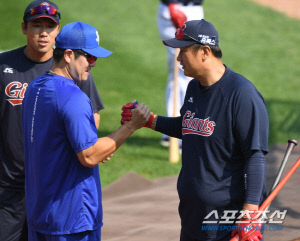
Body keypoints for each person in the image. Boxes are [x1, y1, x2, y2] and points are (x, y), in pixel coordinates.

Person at [122, 20, 269, 241]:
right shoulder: (194, 87)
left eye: (183, 51)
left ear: (205, 52)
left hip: (226, 223)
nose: (178, 58)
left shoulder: (241, 94)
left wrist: (249, 213)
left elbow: (255, 155)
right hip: (193, 217)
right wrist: (150, 121)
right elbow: (190, 127)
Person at [22, 21, 151, 241]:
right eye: (90, 57)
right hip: (72, 218)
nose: (93, 64)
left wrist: (105, 145)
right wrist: (130, 127)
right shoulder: (74, 97)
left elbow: (57, 140)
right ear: (69, 55)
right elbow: (89, 155)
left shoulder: (35, 87)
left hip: (40, 211)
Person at [0, 1, 104, 240]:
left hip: (54, 186)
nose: (44, 32)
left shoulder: (77, 70)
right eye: (37, 25)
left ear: (58, 32)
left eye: (50, 26)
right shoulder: (3, 66)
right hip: (9, 185)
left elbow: (92, 116)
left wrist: (88, 143)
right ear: (24, 28)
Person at [157, 0, 205, 147]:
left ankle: (177, 132)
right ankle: (177, 133)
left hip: (195, 10)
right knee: (183, 72)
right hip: (172, 9)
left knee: (189, 72)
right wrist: (172, 4)